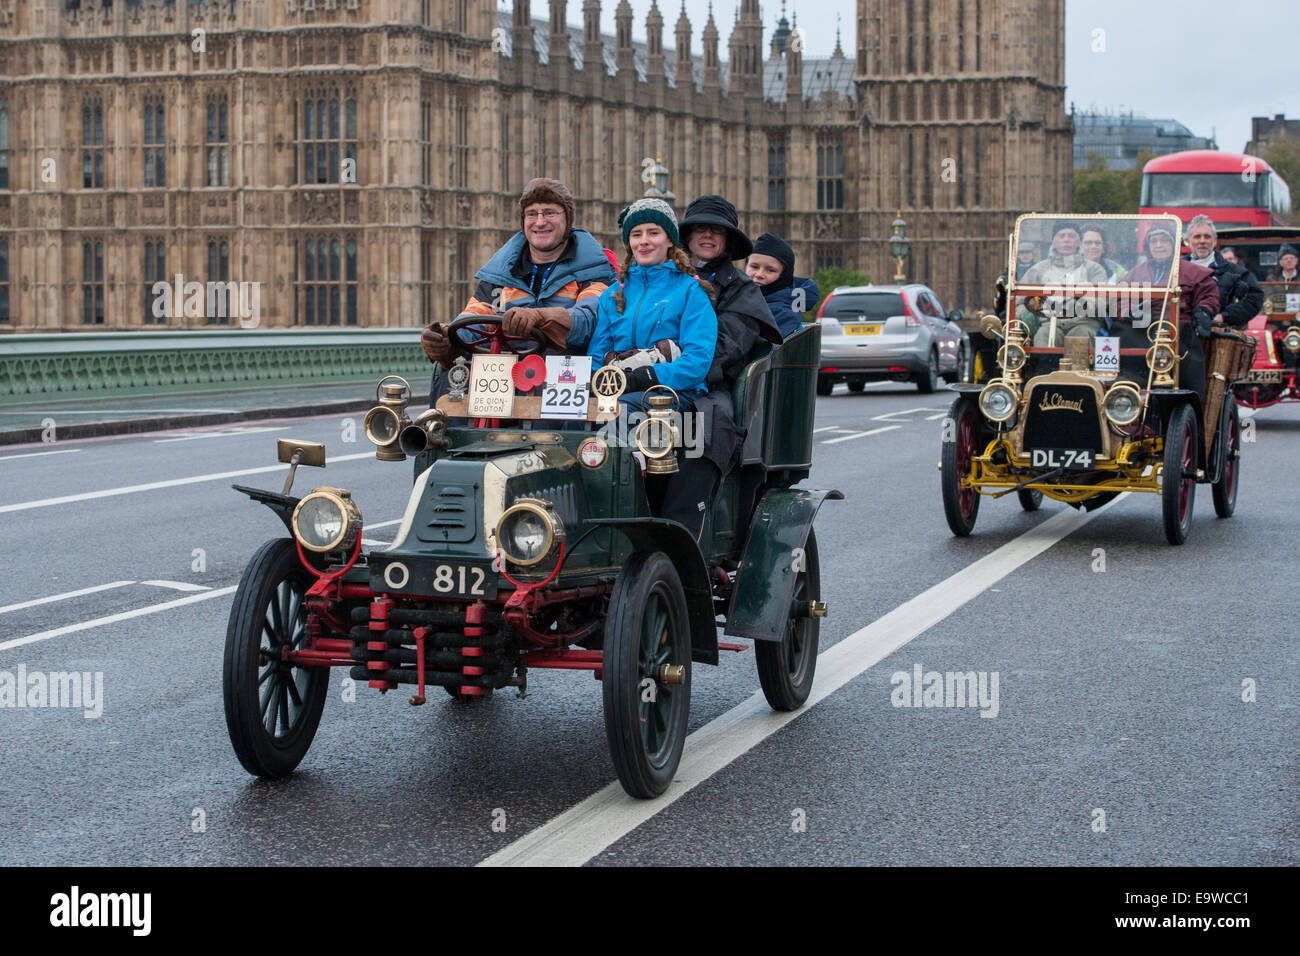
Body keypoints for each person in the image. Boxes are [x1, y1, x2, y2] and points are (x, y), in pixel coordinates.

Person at [587, 198, 719, 536]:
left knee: (618, 420)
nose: (644, 241)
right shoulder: (611, 296)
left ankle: (624, 514)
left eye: (653, 232)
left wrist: (645, 376)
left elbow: (696, 363)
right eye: (637, 234)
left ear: (670, 240)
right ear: (628, 242)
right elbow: (595, 359)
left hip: (674, 397)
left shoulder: (691, 291)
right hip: (617, 395)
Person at [420, 178, 615, 391]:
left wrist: (541, 317)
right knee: (450, 376)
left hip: (563, 373)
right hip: (505, 376)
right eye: (532, 214)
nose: (540, 222)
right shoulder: (501, 274)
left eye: (550, 212)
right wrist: (446, 339)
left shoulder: (592, 271)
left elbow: (589, 319)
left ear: (567, 219)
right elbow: (473, 318)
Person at [676, 195, 784, 505]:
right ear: (687, 236)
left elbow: (725, 348)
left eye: (717, 230)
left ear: (728, 241)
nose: (707, 235)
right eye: (700, 228)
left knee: (707, 429)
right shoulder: (665, 277)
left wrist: (669, 368)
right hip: (650, 380)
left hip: (707, 386)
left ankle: (686, 521)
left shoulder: (742, 288)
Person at [1125, 224, 1220, 399]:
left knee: (1187, 352)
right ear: (1148, 246)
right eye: (1154, 241)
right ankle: (1128, 392)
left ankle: (1189, 400)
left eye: (1164, 241)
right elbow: (1118, 297)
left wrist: (1204, 311)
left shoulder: (1192, 271)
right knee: (1122, 339)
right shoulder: (1135, 273)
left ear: (1174, 245)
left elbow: (1209, 294)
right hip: (1142, 327)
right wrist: (1128, 310)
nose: (1159, 245)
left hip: (1177, 328)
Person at [1018, 220, 1109, 344]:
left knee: (1080, 338)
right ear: (1054, 241)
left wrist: (1084, 305)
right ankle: (1046, 364)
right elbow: (1019, 300)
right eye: (1061, 236)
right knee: (1043, 336)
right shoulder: (1038, 270)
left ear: (1079, 241)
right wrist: (1026, 314)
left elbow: (1102, 300)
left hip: (1083, 323)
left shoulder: (1094, 269)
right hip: (1049, 322)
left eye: (1071, 236)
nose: (1066, 240)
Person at [1181, 214, 1262, 328]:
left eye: (1207, 237)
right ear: (1188, 241)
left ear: (1215, 240)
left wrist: (1225, 316)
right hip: (1182, 335)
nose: (1202, 241)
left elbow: (1254, 299)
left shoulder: (1234, 271)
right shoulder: (1175, 270)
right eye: (1197, 237)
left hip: (1219, 337)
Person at [744, 232, 820, 338]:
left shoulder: (783, 314)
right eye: (754, 266)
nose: (759, 274)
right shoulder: (743, 297)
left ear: (784, 276)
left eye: (770, 270)